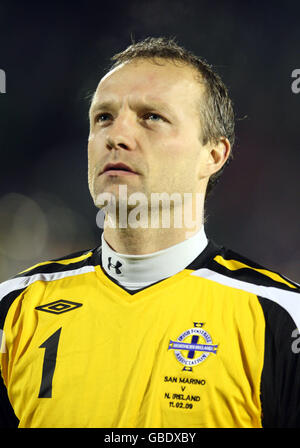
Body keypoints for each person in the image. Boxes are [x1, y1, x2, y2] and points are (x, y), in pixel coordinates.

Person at [0, 37, 299, 429]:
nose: (116, 136)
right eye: (103, 117)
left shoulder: (280, 319)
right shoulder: (13, 311)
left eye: (152, 117)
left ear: (213, 154)